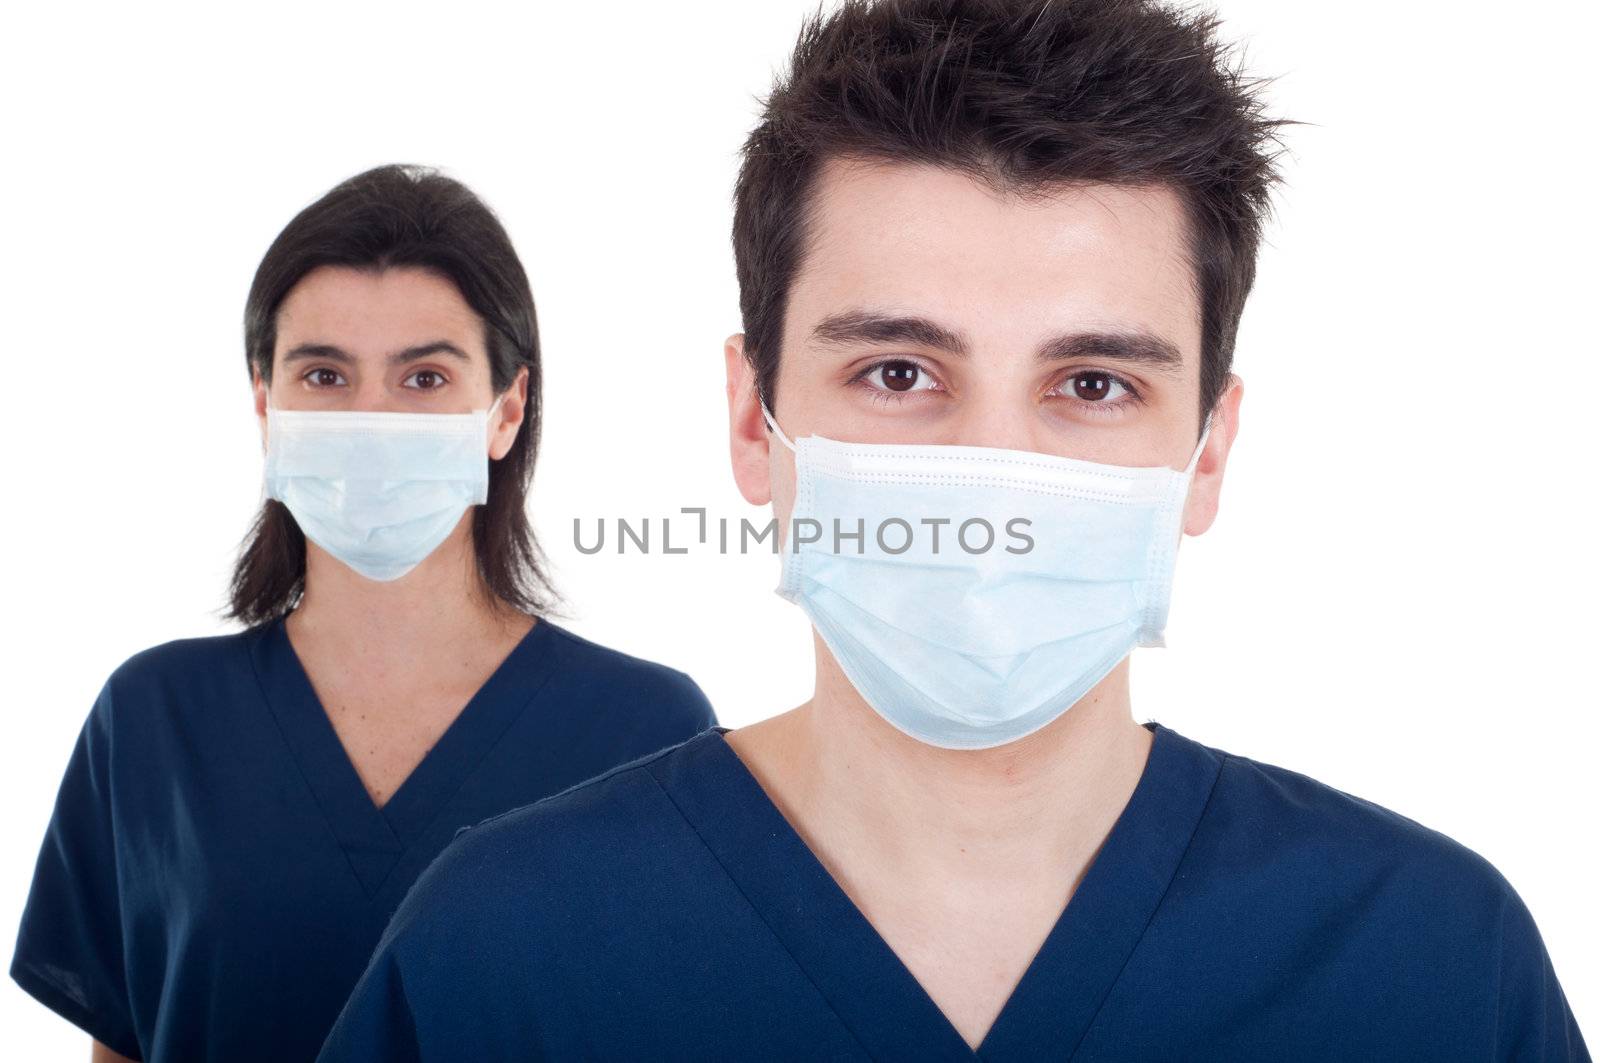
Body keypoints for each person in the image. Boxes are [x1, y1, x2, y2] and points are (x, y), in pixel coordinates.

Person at [317, 5, 1588, 1061]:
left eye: (1093, 385)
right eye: (898, 374)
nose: (992, 479)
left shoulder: (1427, 965)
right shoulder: (501, 956)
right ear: (755, 423)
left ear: (1208, 451)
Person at [9, 164, 717, 1063]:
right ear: (265, 404)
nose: (372, 416)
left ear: (506, 410)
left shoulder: (649, 738)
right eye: (326, 374)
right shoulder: (154, 719)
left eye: (424, 378)